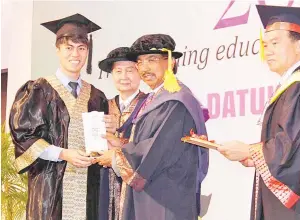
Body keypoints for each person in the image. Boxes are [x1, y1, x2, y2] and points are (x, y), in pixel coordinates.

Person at [218, 5, 300, 220]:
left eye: (275, 43)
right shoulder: (296, 85)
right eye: (264, 44)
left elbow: (292, 148)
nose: (267, 51)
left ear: (299, 44)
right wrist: (254, 157)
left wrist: (249, 151)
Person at [8, 13, 115, 220]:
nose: (75, 54)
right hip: (50, 187)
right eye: (69, 47)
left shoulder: (97, 96)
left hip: (87, 188)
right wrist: (63, 154)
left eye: (81, 48)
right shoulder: (38, 90)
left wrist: (109, 131)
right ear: (57, 50)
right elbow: (24, 138)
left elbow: (100, 146)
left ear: (87, 52)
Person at [95, 34, 209, 220]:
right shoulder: (157, 97)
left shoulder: (176, 100)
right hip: (156, 194)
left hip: (166, 199)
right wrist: (121, 143)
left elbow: (159, 149)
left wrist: (116, 156)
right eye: (140, 62)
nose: (144, 68)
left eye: (152, 60)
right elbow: (151, 141)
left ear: (170, 62)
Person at [97, 47, 147, 220]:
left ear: (140, 72)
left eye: (130, 70)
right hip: (104, 183)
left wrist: (119, 144)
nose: (124, 76)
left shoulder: (151, 106)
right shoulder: (102, 106)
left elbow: (150, 146)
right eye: (118, 71)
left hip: (136, 186)